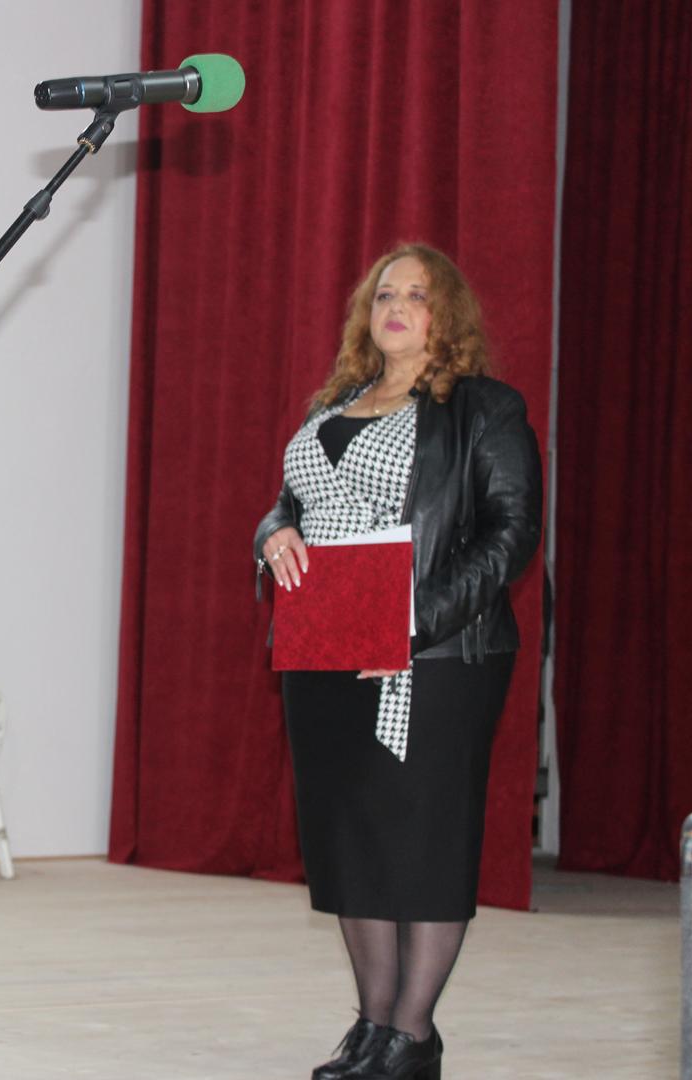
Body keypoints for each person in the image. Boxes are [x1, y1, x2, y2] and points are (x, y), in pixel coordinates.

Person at [253, 243, 541, 1080]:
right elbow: (291, 502)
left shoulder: (483, 408)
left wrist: (409, 623)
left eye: (416, 294)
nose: (397, 307)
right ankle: (373, 1024)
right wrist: (272, 532)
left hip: (438, 653)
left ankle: (413, 1035)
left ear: (445, 314)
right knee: (353, 840)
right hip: (325, 647)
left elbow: (511, 535)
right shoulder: (335, 403)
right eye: (385, 294)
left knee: (422, 840)